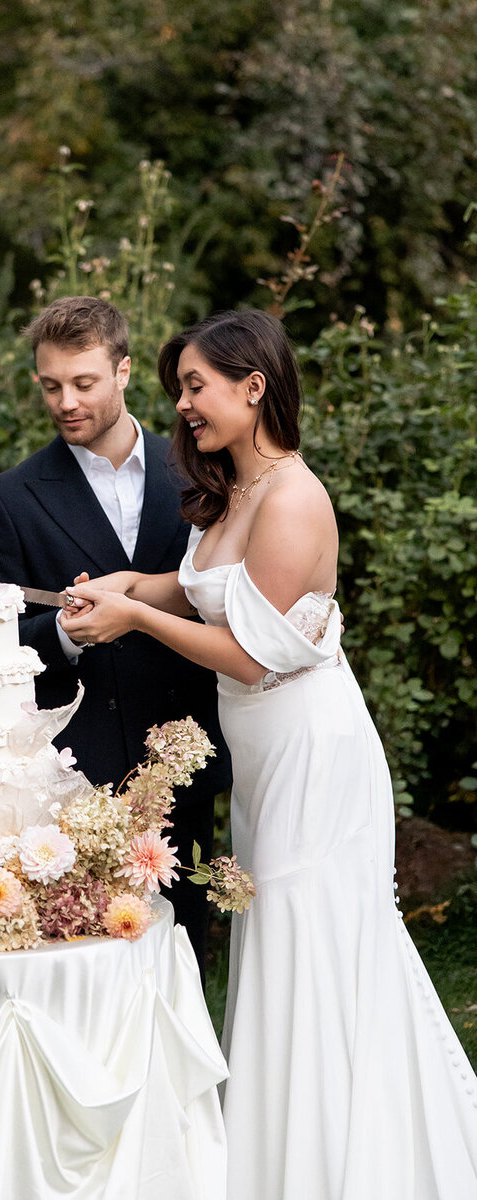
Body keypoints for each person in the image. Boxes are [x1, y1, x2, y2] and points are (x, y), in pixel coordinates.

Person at [61, 309, 477, 1200]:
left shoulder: (294, 497)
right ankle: (277, 1155)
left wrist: (135, 619)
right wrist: (133, 583)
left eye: (197, 387)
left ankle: (346, 1163)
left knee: (310, 938)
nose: (183, 406)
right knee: (275, 937)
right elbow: (210, 586)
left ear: (255, 387)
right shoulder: (241, 488)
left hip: (311, 754)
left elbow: (251, 652)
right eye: (180, 389)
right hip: (266, 757)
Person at [0, 295, 232, 980]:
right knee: (86, 973)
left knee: (181, 962)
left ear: (122, 372)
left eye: (83, 383)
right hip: (70, 774)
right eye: (50, 385)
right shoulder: (12, 494)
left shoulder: (205, 468)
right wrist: (60, 630)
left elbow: (238, 594)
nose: (65, 401)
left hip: (185, 753)